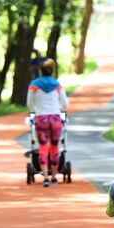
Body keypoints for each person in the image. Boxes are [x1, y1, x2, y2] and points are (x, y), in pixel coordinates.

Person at [26, 59, 69, 187]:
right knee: (55, 147)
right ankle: (54, 177)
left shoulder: (34, 85)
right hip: (55, 119)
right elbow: (65, 104)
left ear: (40, 71)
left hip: (41, 118)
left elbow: (29, 103)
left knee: (43, 147)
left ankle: (45, 177)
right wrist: (58, 109)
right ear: (52, 71)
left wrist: (35, 111)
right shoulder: (57, 85)